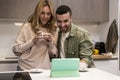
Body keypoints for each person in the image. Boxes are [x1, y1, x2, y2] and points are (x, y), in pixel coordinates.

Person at [12, 0, 57, 70]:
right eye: (42, 13)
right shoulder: (27, 27)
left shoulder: (52, 30)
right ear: (37, 13)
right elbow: (16, 51)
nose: (45, 16)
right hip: (25, 69)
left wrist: (50, 43)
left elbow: (52, 56)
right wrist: (33, 41)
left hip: (44, 71)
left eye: (48, 14)